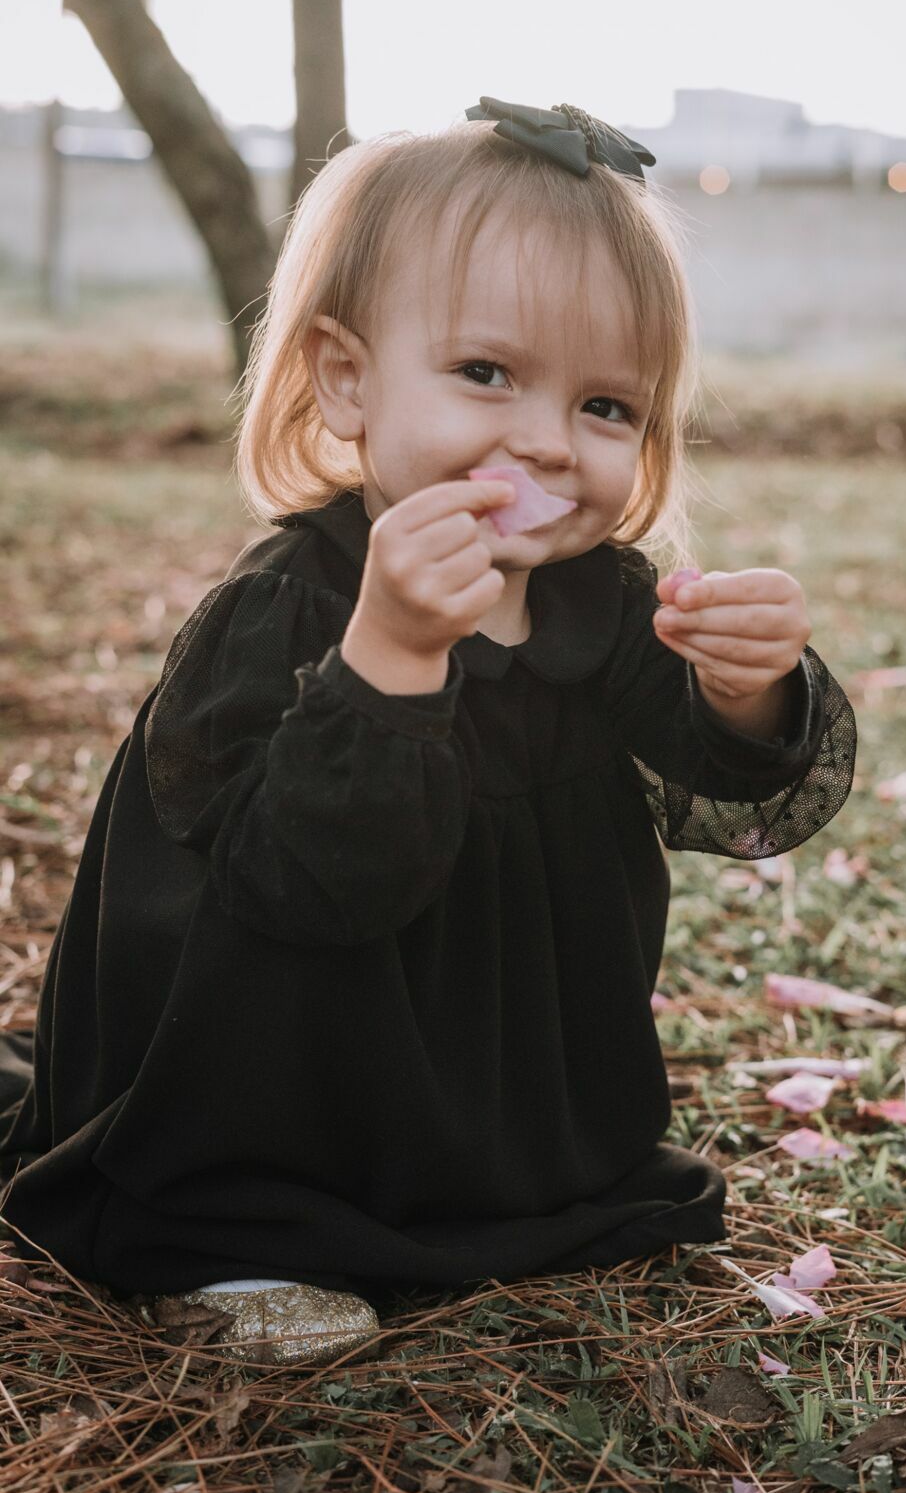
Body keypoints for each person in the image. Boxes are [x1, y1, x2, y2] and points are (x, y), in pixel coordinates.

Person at [0, 98, 857, 1365]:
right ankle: (235, 1234)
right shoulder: (289, 605)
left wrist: (746, 689)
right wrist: (390, 657)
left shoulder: (597, 595)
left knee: (596, 1204)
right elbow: (296, 884)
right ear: (346, 377)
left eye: (607, 406)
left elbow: (721, 779)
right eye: (485, 373)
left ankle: (493, 1173)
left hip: (490, 1054)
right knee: (252, 1119)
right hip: (286, 1048)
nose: (545, 443)